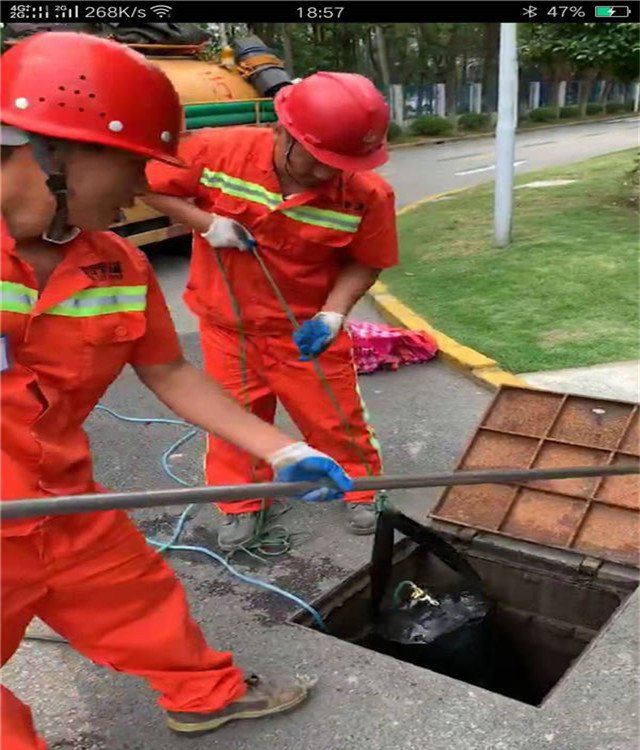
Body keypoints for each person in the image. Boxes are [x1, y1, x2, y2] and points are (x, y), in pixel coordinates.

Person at [0, 32, 354, 749]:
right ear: (56, 151)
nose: (142, 189)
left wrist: (283, 449)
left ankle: (205, 694)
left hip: (62, 502)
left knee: (137, 599)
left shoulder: (117, 265)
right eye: (133, 166)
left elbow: (167, 370)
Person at [145, 71, 399, 551]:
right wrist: (205, 222)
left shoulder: (367, 195)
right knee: (234, 416)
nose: (328, 173)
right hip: (227, 325)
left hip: (305, 329)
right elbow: (146, 184)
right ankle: (243, 500)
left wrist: (332, 314)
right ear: (283, 131)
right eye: (319, 159)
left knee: (335, 417)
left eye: (340, 164)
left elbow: (367, 260)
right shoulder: (218, 152)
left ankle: (361, 488)